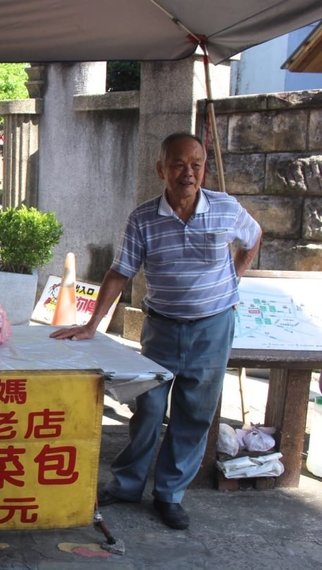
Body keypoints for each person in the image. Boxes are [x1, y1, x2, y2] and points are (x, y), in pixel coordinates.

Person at [50, 132, 262, 530]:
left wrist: (235, 276)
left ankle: (169, 494)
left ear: (204, 168)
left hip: (213, 327)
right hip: (161, 328)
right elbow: (121, 271)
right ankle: (128, 484)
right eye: (179, 164)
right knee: (146, 407)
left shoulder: (226, 209)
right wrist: (92, 324)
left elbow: (253, 238)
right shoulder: (144, 218)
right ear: (161, 169)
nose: (189, 173)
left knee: (194, 414)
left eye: (196, 164)